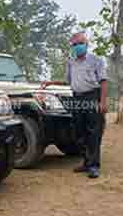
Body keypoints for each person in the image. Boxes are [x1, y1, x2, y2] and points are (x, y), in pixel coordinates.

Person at [41, 32, 108, 179]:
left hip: (92, 97)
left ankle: (94, 166)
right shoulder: (71, 63)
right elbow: (68, 82)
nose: (78, 47)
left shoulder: (96, 60)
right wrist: (51, 82)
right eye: (74, 44)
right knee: (79, 132)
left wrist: (103, 102)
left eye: (80, 43)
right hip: (77, 99)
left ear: (86, 44)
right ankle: (86, 162)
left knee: (93, 133)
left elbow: (103, 81)